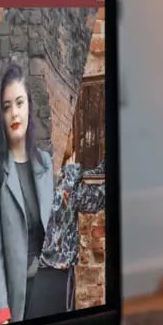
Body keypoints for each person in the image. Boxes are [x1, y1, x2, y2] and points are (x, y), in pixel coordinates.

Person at [0, 62, 54, 325]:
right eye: (6, 107)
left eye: (19, 103)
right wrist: (2, 312)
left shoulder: (45, 164)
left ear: (29, 106)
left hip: (51, 292)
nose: (14, 114)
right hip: (16, 300)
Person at [38, 126, 106, 312]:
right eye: (72, 135)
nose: (74, 140)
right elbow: (96, 199)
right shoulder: (65, 178)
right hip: (56, 272)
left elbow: (94, 197)